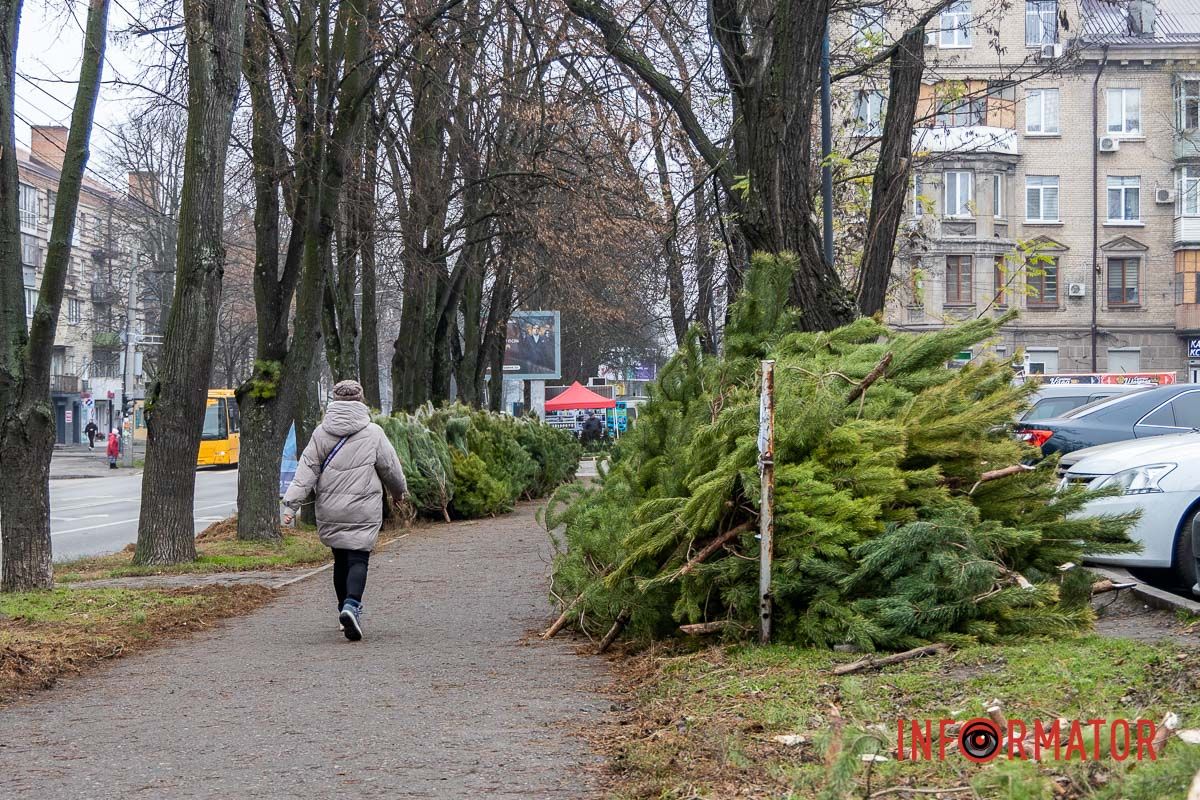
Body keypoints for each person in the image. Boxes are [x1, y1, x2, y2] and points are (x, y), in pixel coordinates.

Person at [282, 380, 408, 641]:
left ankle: (343, 612)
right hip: (363, 507)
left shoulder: (321, 433)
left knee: (340, 559)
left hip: (331, 507)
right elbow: (391, 469)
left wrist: (290, 505)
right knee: (359, 558)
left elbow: (306, 471)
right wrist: (399, 494)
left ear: (334, 402)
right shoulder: (374, 432)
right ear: (361, 400)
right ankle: (351, 605)